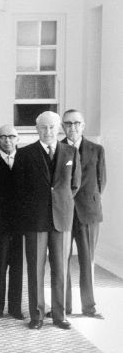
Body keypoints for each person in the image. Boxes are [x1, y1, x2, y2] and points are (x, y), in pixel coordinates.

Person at [13, 111, 80, 330]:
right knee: (35, 269)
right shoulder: (24, 154)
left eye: (52, 127)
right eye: (44, 127)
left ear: (59, 127)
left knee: (60, 269)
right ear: (36, 128)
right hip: (35, 220)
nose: (48, 131)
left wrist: (61, 204)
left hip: (62, 219)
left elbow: (74, 186)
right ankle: (37, 315)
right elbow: (19, 190)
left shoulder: (71, 152)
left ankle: (59, 315)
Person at [62, 109, 106, 318]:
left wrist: (88, 201)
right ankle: (63, 306)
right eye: (68, 123)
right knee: (61, 260)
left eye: (77, 123)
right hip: (63, 213)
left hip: (89, 212)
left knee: (87, 261)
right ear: (63, 126)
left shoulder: (97, 149)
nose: (73, 127)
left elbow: (101, 181)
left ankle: (89, 307)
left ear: (83, 125)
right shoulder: (58, 147)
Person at [0, 124, 24, 320]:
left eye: (12, 136)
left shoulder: (25, 159)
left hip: (20, 224)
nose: (7, 140)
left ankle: (15, 308)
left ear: (18, 139)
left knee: (17, 267)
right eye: (3, 137)